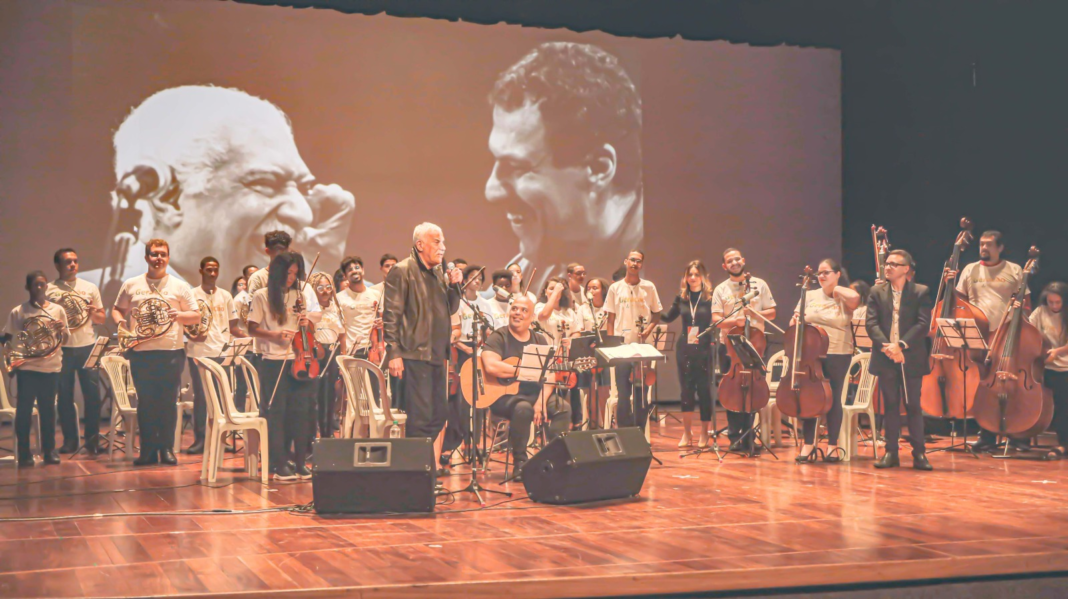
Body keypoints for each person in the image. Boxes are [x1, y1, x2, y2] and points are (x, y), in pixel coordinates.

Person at [84, 85, 354, 305]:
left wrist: (315, 279)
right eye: (265, 183)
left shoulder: (265, 293)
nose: (302, 213)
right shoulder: (92, 297)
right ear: (168, 199)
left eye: (301, 188)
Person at [486, 42, 643, 294]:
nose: (491, 191)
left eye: (517, 167)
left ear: (598, 168)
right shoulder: (527, 271)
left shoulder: (662, 268)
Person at [111, 239, 200, 466]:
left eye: (162, 254)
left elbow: (196, 316)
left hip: (171, 352)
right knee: (146, 402)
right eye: (154, 254)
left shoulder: (179, 286)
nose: (158, 258)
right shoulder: (132, 284)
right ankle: (148, 451)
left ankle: (166, 449)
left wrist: (178, 315)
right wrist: (122, 325)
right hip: (141, 352)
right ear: (146, 258)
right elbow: (117, 309)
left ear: (168, 257)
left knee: (168, 402)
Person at [382, 223, 461, 468]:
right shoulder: (402, 270)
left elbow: (450, 308)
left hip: (438, 355)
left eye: (443, 242)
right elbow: (391, 314)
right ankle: (418, 472)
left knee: (439, 415)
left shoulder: (437, 273)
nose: (443, 247)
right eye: (437, 242)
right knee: (419, 418)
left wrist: (454, 286)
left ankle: (423, 468)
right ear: (420, 245)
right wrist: (393, 352)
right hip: (414, 355)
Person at [956, 231, 1032, 452]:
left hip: (1007, 333)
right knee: (985, 387)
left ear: (1000, 248)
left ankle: (1017, 434)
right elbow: (961, 301)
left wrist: (1020, 315)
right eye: (981, 244)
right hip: (979, 334)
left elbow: (1026, 303)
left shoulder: (1014, 269)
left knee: (1009, 384)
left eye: (989, 245)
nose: (983, 248)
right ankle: (987, 435)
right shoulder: (970, 269)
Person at [481, 296, 572, 477]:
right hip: (505, 397)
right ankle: (520, 463)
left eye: (524, 310)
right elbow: (491, 365)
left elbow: (550, 373)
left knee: (563, 408)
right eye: (515, 308)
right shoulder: (499, 336)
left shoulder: (539, 339)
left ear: (532, 317)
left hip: (535, 394)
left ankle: (554, 460)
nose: (518, 313)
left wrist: (540, 402)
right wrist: (522, 370)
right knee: (523, 409)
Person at [247, 251, 318, 480]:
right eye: (288, 273)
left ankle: (299, 461)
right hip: (273, 362)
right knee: (276, 413)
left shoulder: (299, 294)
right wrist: (274, 335)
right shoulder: (262, 296)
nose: (291, 278)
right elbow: (251, 328)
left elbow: (305, 330)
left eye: (296, 273)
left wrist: (307, 324)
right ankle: (278, 463)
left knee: (300, 413)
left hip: (299, 359)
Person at [866, 249, 933, 471]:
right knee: (890, 405)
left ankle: (919, 454)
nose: (888, 267)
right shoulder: (876, 291)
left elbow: (923, 324)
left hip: (910, 356)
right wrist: (888, 347)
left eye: (894, 264)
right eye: (887, 263)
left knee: (913, 405)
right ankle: (891, 452)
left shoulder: (920, 292)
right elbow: (871, 324)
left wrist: (901, 345)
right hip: (886, 355)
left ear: (906, 269)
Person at [792, 259, 861, 463]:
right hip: (812, 354)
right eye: (819, 274)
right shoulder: (810, 295)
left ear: (838, 274)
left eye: (826, 272)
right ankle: (808, 444)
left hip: (838, 352)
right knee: (809, 398)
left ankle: (833, 445)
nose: (821, 276)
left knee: (834, 398)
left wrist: (835, 287)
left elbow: (856, 298)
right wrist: (796, 320)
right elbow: (793, 320)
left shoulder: (844, 295)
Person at [711, 248, 777, 451]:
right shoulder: (721, 289)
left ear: (743, 261)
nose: (734, 262)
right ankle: (734, 437)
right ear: (725, 266)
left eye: (737, 259)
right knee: (731, 391)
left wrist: (754, 313)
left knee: (752, 389)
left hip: (755, 344)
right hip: (730, 347)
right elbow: (715, 319)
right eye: (729, 261)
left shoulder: (759, 285)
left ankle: (749, 435)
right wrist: (735, 320)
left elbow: (772, 312)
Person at [3, 272, 69, 466]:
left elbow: (65, 339)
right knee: (23, 412)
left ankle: (50, 451)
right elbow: (9, 338)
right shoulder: (19, 311)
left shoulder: (57, 310)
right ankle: (24, 453)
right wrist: (13, 358)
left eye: (42, 284)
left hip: (51, 368)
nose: (39, 288)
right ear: (28, 288)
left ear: (46, 286)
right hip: (28, 368)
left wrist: (61, 330)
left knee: (48, 412)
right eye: (35, 285)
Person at [47, 248, 106, 454]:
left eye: (75, 261)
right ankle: (70, 441)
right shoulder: (49, 289)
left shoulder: (89, 287)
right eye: (67, 262)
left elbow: (101, 318)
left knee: (93, 396)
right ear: (57, 266)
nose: (73, 265)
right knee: (64, 397)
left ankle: (92, 441)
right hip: (62, 349)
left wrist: (94, 313)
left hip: (88, 346)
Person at [183, 257, 239, 455]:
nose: (213, 273)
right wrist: (194, 335)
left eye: (215, 269)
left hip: (221, 351)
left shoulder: (225, 296)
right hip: (198, 352)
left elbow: (233, 325)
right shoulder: (191, 295)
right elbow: (185, 324)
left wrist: (247, 338)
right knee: (202, 397)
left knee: (222, 396)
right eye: (209, 270)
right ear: (201, 271)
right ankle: (201, 439)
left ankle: (222, 438)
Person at [443, 265, 495, 467]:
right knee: (462, 402)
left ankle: (477, 444)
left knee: (480, 399)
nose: (476, 280)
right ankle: (463, 442)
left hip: (480, 353)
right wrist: (464, 348)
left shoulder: (484, 304)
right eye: (472, 277)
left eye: (479, 277)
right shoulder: (459, 301)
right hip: (461, 352)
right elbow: (452, 331)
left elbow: (490, 331)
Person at [604, 251, 662, 431]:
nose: (635, 263)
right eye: (632, 260)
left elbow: (657, 313)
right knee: (623, 393)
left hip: (643, 348)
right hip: (622, 347)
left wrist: (648, 330)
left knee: (641, 394)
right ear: (626, 262)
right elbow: (610, 319)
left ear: (641, 265)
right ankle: (624, 433)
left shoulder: (649, 287)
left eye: (639, 261)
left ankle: (638, 431)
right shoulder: (615, 288)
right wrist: (612, 344)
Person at [660, 261, 715, 448]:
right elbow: (667, 317)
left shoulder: (711, 298)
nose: (692, 278)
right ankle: (686, 432)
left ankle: (704, 433)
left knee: (704, 391)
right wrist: (650, 307)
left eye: (696, 274)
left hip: (705, 348)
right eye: (689, 274)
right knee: (686, 391)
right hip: (685, 349)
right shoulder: (681, 298)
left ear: (703, 277)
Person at [537, 276, 585, 428]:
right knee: (549, 395)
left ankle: (573, 424)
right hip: (545, 360)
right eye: (550, 288)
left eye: (558, 289)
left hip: (564, 360)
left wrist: (571, 339)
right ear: (545, 291)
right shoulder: (539, 306)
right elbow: (544, 315)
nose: (555, 291)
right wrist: (555, 292)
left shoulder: (569, 312)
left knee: (568, 390)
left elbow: (577, 331)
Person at [1030, 282, 1068, 460]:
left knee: (1063, 406)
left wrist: (1057, 352)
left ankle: (1062, 444)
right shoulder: (1040, 312)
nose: (1053, 306)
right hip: (1044, 365)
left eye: (1058, 302)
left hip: (1064, 366)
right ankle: (1021, 438)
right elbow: (1030, 332)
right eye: (1050, 302)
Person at [308, 271, 345, 439]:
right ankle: (310, 438)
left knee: (330, 395)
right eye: (320, 287)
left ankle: (327, 434)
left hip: (332, 353)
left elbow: (342, 335)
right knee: (315, 397)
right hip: (315, 354)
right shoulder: (310, 309)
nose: (325, 291)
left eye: (328, 287)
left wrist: (343, 359)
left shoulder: (336, 307)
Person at [336, 256, 383, 359]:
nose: (354, 271)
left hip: (372, 349)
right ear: (345, 275)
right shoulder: (339, 298)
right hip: (351, 351)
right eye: (350, 270)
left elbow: (385, 319)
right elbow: (339, 329)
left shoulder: (376, 294)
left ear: (363, 270)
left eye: (357, 267)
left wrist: (382, 322)